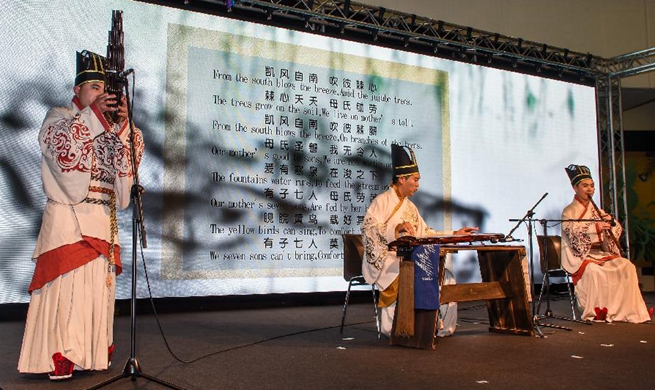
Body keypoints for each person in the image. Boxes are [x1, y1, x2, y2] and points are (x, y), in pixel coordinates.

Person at [17, 50, 144, 380]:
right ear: (77, 91)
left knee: (94, 293)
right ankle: (61, 353)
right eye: (93, 89)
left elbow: (124, 183)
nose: (101, 96)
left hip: (102, 218)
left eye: (105, 90)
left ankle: (90, 352)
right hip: (69, 219)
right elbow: (63, 154)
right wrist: (95, 119)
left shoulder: (109, 127)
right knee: (68, 291)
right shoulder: (59, 117)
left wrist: (124, 126)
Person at [361, 144, 478, 337]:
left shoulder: (410, 207)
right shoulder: (381, 202)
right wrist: (395, 229)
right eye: (415, 180)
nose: (417, 185)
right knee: (410, 271)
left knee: (446, 276)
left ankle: (436, 326)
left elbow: (426, 232)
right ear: (401, 179)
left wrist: (454, 233)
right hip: (389, 259)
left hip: (410, 258)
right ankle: (401, 328)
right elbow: (368, 231)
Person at [561, 164, 651, 323]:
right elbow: (572, 233)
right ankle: (598, 311)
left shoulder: (597, 210)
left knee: (626, 266)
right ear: (575, 188)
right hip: (581, 255)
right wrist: (595, 227)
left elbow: (615, 227)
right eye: (585, 186)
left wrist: (611, 224)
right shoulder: (569, 211)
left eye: (592, 186)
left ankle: (629, 309)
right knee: (593, 270)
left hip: (600, 252)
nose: (590, 189)